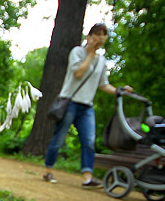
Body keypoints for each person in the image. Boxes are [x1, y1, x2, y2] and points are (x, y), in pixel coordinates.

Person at [43, 23, 132, 188]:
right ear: (89, 37)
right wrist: (90, 54)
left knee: (89, 141)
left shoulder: (102, 61)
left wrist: (120, 90)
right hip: (70, 102)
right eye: (97, 34)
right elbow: (78, 73)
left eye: (103, 35)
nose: (100, 38)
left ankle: (87, 177)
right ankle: (48, 170)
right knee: (59, 138)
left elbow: (104, 85)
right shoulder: (77, 52)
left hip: (87, 107)